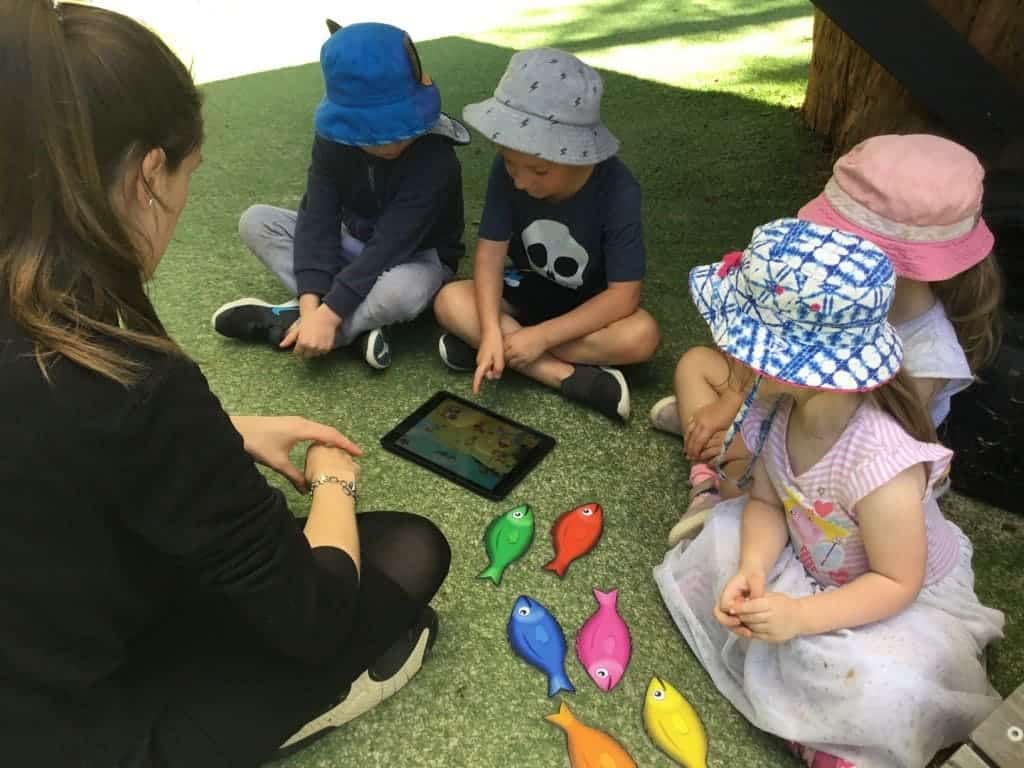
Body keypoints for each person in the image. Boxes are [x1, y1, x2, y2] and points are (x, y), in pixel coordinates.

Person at [0, 4, 450, 766]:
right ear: (150, 172)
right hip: (70, 728)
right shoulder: (132, 377)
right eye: (186, 176)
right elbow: (312, 615)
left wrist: (228, 429)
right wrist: (335, 483)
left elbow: (52, 438)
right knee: (410, 551)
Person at [653, 218, 1004, 768]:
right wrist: (752, 565)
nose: (731, 358)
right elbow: (769, 502)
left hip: (891, 598)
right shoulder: (780, 407)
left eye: (744, 346)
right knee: (726, 564)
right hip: (811, 558)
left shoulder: (881, 464)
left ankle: (833, 734)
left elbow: (895, 582)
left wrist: (799, 618)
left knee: (877, 681)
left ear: (802, 368)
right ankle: (810, 704)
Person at [650, 134, 1002, 543]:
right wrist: (735, 404)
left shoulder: (928, 356)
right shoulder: (833, 298)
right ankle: (712, 443)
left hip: (833, 458)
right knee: (696, 362)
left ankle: (709, 484)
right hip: (789, 406)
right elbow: (781, 358)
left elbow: (845, 445)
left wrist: (746, 422)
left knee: (737, 478)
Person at [211, 22, 470, 370]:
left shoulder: (435, 158)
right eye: (373, 134)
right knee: (256, 221)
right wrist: (311, 308)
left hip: (415, 259)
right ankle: (350, 324)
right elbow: (318, 217)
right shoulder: (333, 140)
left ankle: (303, 328)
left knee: (402, 292)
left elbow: (391, 244)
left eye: (399, 129)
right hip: (353, 244)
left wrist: (330, 315)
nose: (390, 145)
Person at [433, 48, 660, 422]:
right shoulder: (510, 169)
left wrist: (540, 338)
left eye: (538, 171)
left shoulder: (619, 189)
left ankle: (495, 352)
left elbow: (623, 296)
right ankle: (561, 376)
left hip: (588, 310)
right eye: (510, 163)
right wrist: (490, 329)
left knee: (642, 336)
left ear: (581, 156)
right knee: (449, 299)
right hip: (526, 289)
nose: (520, 181)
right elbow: (490, 254)